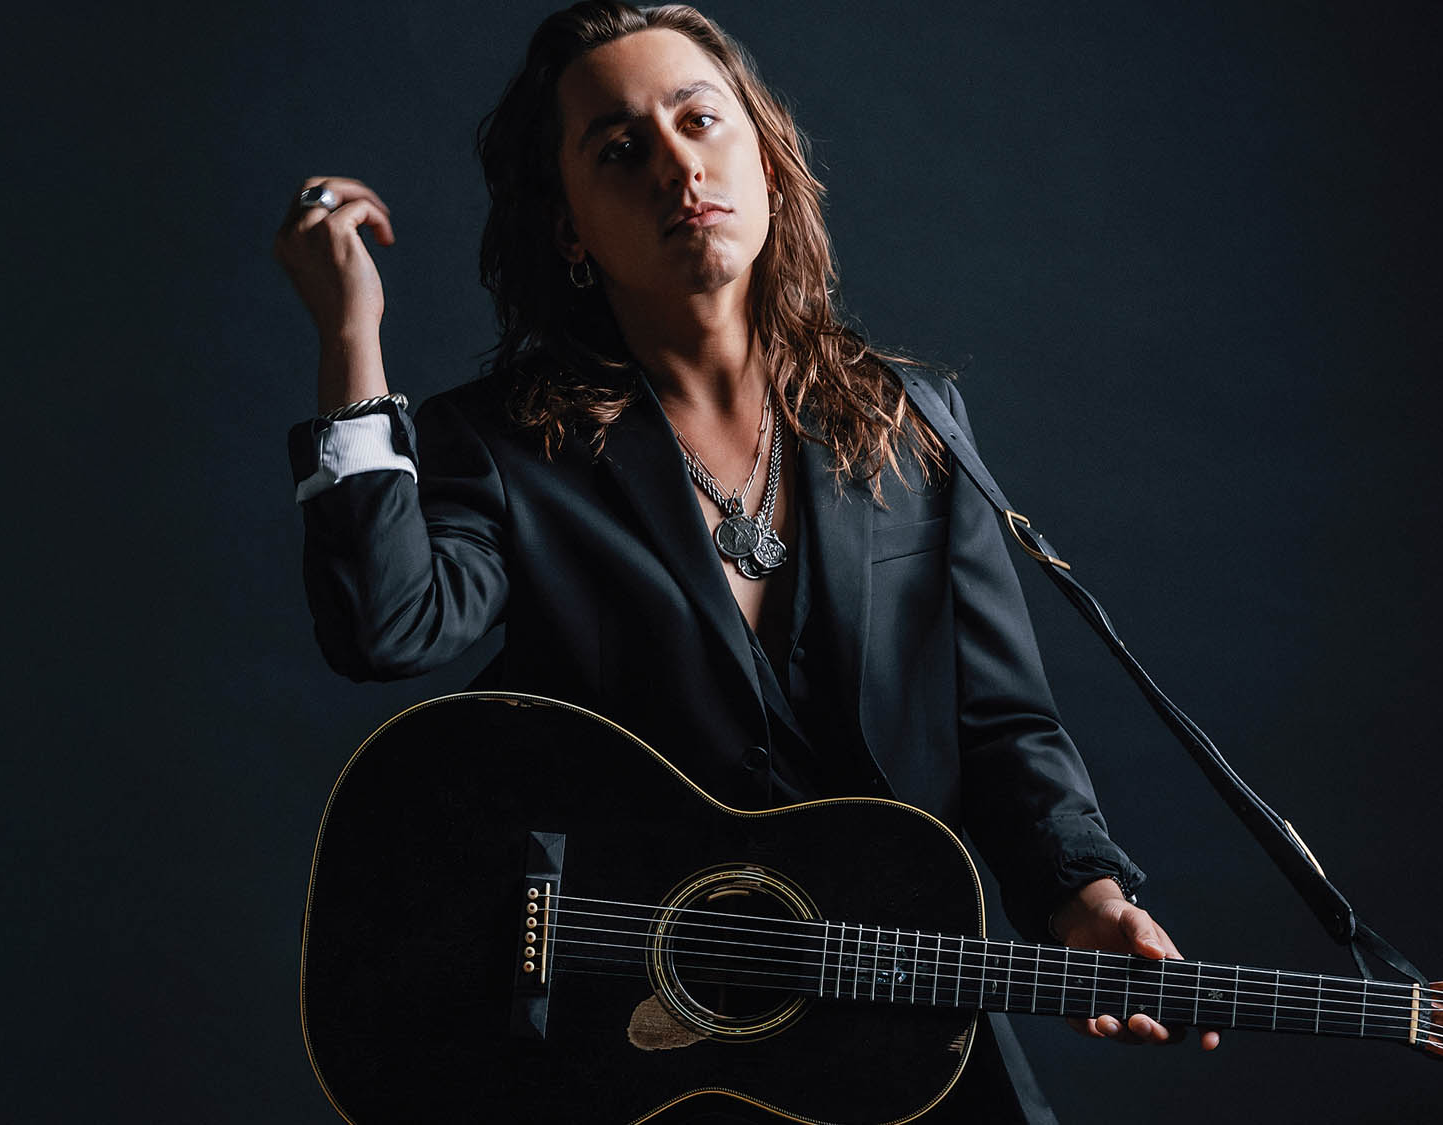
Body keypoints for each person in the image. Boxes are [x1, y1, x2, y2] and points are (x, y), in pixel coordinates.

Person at [273, 3, 1217, 1120]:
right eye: (619, 150)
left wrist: (1084, 896)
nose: (678, 166)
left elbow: (1002, 724)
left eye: (699, 121)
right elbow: (387, 628)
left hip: (898, 1033)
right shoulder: (504, 446)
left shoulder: (912, 425)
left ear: (765, 158)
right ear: (568, 228)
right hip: (632, 1057)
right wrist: (351, 334)